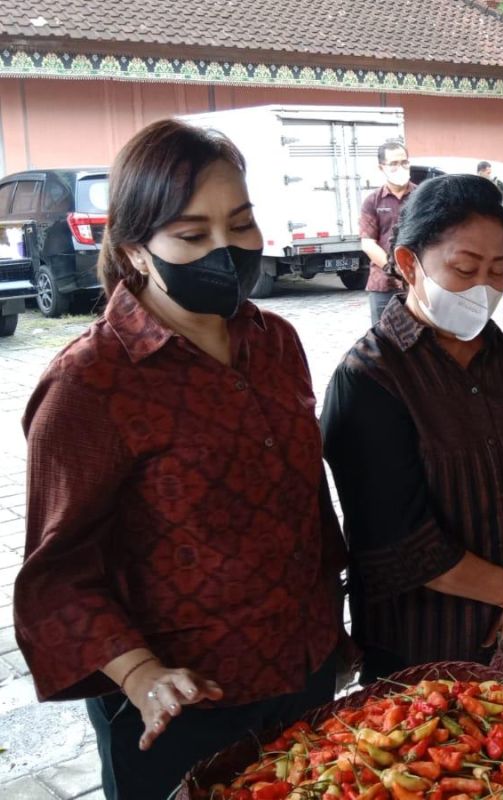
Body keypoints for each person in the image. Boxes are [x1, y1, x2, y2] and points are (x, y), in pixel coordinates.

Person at [15, 120, 345, 799]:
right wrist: (141, 676)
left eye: (242, 223)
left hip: (302, 671)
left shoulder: (275, 341)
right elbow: (55, 580)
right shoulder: (89, 383)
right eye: (193, 237)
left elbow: (306, 497)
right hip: (184, 705)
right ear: (136, 249)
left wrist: (332, 624)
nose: (226, 251)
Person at [321, 175, 503, 683]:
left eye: (495, 271)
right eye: (464, 269)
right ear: (408, 263)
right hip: (421, 648)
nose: (483, 288)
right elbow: (402, 543)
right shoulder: (369, 379)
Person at [360, 138, 415, 324]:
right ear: (381, 167)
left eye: (404, 162)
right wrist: (393, 268)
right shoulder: (372, 201)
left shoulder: (422, 197)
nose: (400, 167)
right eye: (393, 163)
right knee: (382, 343)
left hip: (418, 284)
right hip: (383, 283)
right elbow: (368, 243)